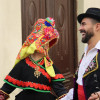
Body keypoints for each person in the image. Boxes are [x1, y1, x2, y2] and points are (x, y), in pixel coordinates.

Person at [0, 17, 67, 100]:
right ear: (35, 44)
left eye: (48, 43)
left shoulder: (50, 67)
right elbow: (7, 87)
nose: (47, 45)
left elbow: (59, 89)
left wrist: (66, 97)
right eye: (44, 42)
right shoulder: (22, 64)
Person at [62, 7, 100, 100]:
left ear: (97, 27)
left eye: (83, 24)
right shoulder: (85, 53)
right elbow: (79, 86)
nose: (80, 28)